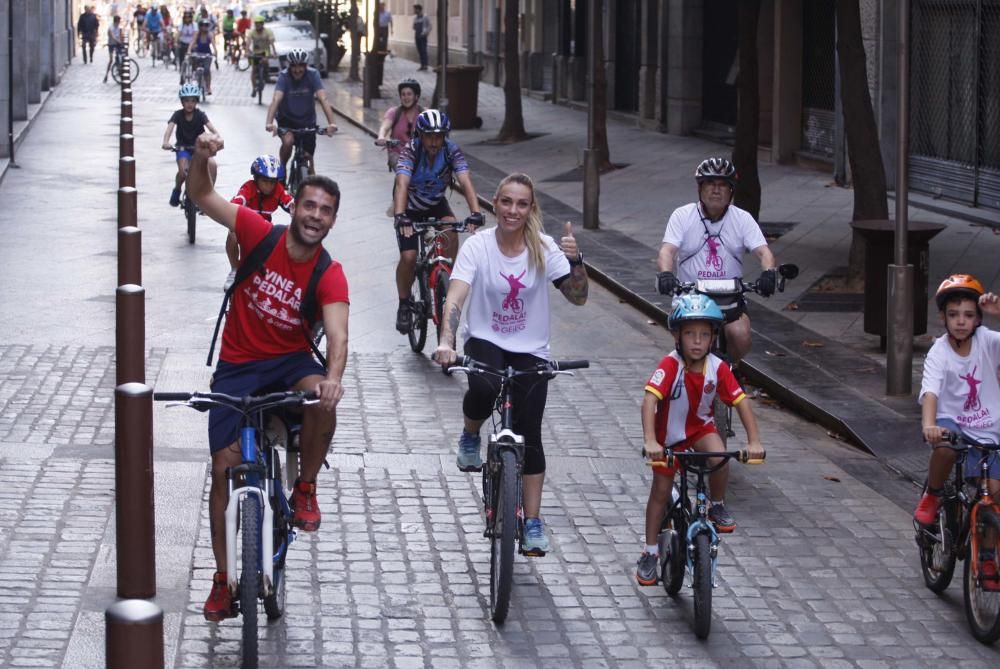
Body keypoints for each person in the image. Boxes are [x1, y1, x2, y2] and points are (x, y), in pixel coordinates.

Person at [185, 131, 349, 621]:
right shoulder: (259, 232)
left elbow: (338, 337)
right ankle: (221, 579)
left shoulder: (329, 272)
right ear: (292, 206)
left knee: (323, 398)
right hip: (237, 366)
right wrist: (198, 158)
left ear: (333, 220)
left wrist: (333, 377)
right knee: (221, 469)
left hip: (291, 364)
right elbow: (201, 195)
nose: (316, 216)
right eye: (310, 206)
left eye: (326, 210)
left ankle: (305, 488)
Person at [433, 173, 589, 556]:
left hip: (531, 349)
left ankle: (532, 521)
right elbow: (456, 295)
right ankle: (471, 434)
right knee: (483, 388)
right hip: (486, 338)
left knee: (529, 433)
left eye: (521, 204)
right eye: (506, 202)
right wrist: (446, 342)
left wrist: (576, 261)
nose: (513, 210)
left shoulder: (543, 247)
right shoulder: (479, 246)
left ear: (530, 209)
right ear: (495, 204)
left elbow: (578, 297)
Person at [634, 293, 764, 585]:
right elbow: (649, 401)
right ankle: (651, 550)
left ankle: (716, 503)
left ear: (713, 338)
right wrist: (651, 440)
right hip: (668, 436)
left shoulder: (718, 367)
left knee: (719, 458)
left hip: (700, 429)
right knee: (660, 491)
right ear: (677, 335)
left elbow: (741, 402)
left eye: (704, 335)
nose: (696, 341)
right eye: (690, 334)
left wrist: (754, 440)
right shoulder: (669, 365)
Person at [913, 275, 1000, 589]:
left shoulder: (988, 342)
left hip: (989, 429)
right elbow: (931, 392)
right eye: (953, 315)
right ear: (943, 317)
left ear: (978, 318)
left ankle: (987, 555)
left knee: (993, 491)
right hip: (953, 423)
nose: (961, 322)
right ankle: (933, 495)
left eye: (968, 314)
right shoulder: (939, 352)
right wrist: (929, 426)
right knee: (946, 449)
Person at [655, 158, 777, 363]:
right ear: (700, 189)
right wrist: (666, 273)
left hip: (730, 299)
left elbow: (765, 253)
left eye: (722, 185)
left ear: (731, 191)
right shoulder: (682, 215)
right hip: (691, 298)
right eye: (710, 183)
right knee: (691, 342)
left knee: (741, 335)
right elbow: (667, 251)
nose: (716, 190)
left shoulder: (742, 218)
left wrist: (768, 273)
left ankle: (730, 371)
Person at [391, 109, 483, 334]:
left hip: (435, 203)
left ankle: (446, 275)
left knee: (451, 228)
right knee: (409, 256)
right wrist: (401, 215)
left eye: (439, 136)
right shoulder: (410, 151)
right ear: (420, 136)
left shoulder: (451, 151)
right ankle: (404, 304)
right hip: (409, 208)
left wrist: (476, 212)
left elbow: (465, 180)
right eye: (429, 136)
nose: (434, 141)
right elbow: (402, 183)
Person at [224, 155, 295, 290]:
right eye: (265, 181)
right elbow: (240, 199)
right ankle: (234, 270)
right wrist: (233, 207)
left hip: (265, 231)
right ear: (256, 178)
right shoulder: (249, 187)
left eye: (272, 182)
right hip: (246, 228)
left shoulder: (278, 190)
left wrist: (298, 209)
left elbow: (289, 202)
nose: (269, 186)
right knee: (232, 234)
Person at [265, 49, 338, 176]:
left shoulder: (313, 75)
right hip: (287, 119)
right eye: (294, 66)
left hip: (307, 121)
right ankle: (282, 170)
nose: (297, 70)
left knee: (308, 158)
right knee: (288, 142)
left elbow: (323, 98)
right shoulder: (284, 76)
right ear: (289, 66)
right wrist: (269, 122)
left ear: (306, 66)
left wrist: (332, 123)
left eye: (301, 66)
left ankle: (310, 183)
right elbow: (277, 98)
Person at [161, 83, 219, 207]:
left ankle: (209, 196)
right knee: (182, 172)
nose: (189, 104)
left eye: (193, 101)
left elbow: (211, 128)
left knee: (213, 165)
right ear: (182, 102)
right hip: (183, 148)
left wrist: (216, 137)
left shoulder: (200, 115)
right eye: (186, 100)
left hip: (199, 148)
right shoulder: (177, 114)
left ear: (196, 102)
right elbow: (169, 129)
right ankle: (177, 189)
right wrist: (166, 142)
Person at [375, 78, 423, 172]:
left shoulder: (424, 113)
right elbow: (384, 127)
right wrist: (381, 137)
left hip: (420, 156)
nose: (406, 97)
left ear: (416, 96)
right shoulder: (394, 112)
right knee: (404, 172)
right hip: (398, 154)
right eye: (403, 94)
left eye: (409, 94)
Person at [246, 15, 276, 94]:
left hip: (265, 51)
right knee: (253, 70)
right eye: (256, 23)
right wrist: (246, 52)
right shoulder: (252, 32)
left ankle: (266, 76)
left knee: (265, 61)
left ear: (263, 24)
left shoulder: (268, 31)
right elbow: (248, 42)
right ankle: (254, 88)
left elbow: (271, 42)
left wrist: (274, 53)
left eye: (259, 23)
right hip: (255, 52)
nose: (257, 25)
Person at [189, 19, 217, 95]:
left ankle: (208, 87)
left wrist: (215, 52)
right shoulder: (197, 34)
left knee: (207, 70)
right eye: (202, 25)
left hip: (207, 54)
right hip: (198, 53)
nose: (204, 27)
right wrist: (189, 50)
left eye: (206, 25)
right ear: (200, 26)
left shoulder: (209, 34)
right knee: (194, 66)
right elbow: (192, 42)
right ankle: (195, 79)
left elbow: (213, 44)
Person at [103, 15, 125, 82]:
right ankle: (106, 75)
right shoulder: (110, 28)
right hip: (111, 45)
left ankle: (120, 70)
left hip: (117, 45)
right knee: (111, 60)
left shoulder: (119, 28)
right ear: (116, 21)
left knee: (121, 57)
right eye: (118, 22)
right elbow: (112, 36)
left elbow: (121, 36)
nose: (119, 23)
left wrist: (122, 41)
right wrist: (118, 41)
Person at [412, 4, 431, 70]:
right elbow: (414, 27)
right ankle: (422, 65)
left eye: (415, 9)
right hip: (417, 36)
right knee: (420, 51)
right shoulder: (415, 18)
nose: (414, 10)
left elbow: (429, 26)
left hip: (422, 36)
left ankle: (425, 65)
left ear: (418, 9)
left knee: (423, 51)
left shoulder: (425, 17)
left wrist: (426, 33)